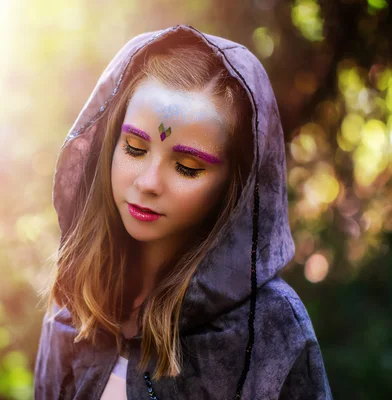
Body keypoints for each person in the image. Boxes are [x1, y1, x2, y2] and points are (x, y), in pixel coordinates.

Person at [34, 24, 333, 399]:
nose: (148, 182)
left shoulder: (272, 329)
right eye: (134, 148)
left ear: (233, 184)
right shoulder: (78, 297)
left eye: (187, 167)